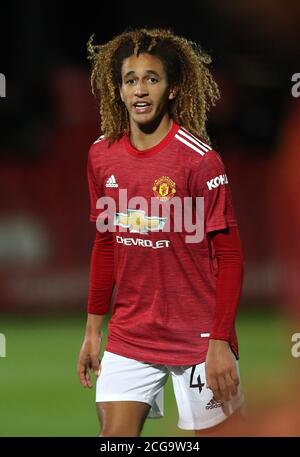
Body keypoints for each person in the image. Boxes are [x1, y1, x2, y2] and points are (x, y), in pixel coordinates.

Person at [77, 27, 245, 437]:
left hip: (199, 339)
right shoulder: (101, 156)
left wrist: (220, 342)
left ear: (172, 88)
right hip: (131, 335)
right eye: (130, 80)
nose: (140, 90)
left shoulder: (200, 161)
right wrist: (93, 330)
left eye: (152, 79)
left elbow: (231, 257)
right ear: (117, 89)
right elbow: (106, 243)